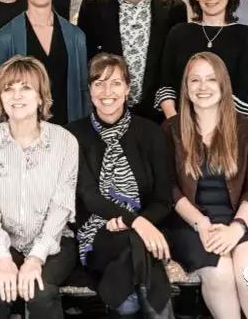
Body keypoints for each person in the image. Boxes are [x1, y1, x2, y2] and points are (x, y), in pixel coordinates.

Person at [164, 52, 248, 319]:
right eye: (195, 80)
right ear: (186, 87)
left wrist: (237, 228)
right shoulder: (170, 130)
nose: (202, 87)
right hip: (191, 224)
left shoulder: (246, 129)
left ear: (223, 84)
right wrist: (201, 224)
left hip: (246, 220)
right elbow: (169, 188)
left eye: (211, 79)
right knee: (220, 273)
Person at [0, 55, 79, 319]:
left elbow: (62, 205)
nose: (16, 96)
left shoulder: (65, 142)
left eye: (26, 88)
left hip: (53, 241)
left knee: (40, 292)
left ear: (41, 97)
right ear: (0, 98)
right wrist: (2, 257)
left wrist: (36, 258)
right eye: (8, 89)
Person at [68, 53, 175, 318]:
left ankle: (124, 308)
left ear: (127, 89)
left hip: (145, 227)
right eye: (99, 84)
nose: (107, 92)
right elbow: (88, 195)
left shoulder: (151, 133)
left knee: (132, 250)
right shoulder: (73, 135)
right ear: (90, 90)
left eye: (115, 83)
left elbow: (163, 199)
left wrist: (138, 223)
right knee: (139, 248)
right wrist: (136, 223)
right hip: (97, 232)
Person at [78, 0, 187, 122]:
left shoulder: (175, 9)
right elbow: (86, 64)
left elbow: (176, 69)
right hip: (108, 112)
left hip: (158, 117)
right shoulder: (92, 7)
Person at [0, 0, 89, 125]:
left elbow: (83, 94)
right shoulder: (5, 37)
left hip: (68, 130)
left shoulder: (76, 36)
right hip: (23, 132)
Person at [157, 0, 248, 118]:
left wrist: (215, 128)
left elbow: (241, 93)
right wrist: (175, 124)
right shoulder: (178, 32)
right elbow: (165, 86)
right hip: (179, 122)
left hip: (226, 125)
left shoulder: (245, 35)